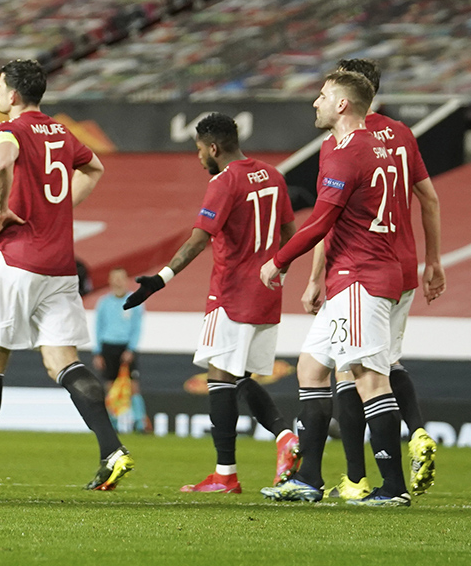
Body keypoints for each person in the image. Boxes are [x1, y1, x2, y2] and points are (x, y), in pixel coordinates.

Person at [0, 59, 132, 491]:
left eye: (0, 88)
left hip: (16, 261)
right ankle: (111, 449)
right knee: (63, 360)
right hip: (60, 267)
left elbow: (2, 162)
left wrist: (0, 210)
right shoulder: (61, 132)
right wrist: (59, 210)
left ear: (14, 94)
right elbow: (94, 167)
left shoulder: (9, 131)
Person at [124, 113, 300, 494]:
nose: (199, 157)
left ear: (214, 148)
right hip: (268, 293)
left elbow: (198, 239)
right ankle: (278, 442)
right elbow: (290, 231)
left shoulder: (225, 181)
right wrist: (278, 270)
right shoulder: (272, 175)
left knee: (220, 378)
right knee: (237, 378)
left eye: (199, 150)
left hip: (232, 292)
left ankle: (231, 472)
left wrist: (160, 279)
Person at [260, 70, 410, 507]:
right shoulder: (367, 147)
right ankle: (308, 479)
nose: (316, 103)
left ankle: (392, 487)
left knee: (369, 378)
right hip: (351, 275)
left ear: (342, 105)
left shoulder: (348, 153)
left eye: (323, 96)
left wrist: (279, 260)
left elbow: (322, 220)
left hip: (362, 277)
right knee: (311, 367)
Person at [309, 58, 445, 499]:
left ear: (347, 96)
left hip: (359, 268)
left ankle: (360, 477)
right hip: (402, 266)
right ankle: (418, 430)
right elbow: (429, 198)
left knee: (353, 371)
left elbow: (324, 221)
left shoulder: (343, 143)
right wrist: (433, 261)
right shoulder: (401, 134)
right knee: (385, 362)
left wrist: (314, 277)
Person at [91, 267, 146, 432]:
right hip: (108, 346)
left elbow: (137, 328)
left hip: (126, 347)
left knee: (133, 386)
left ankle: (140, 422)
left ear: (126, 280)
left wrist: (131, 349)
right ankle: (112, 422)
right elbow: (98, 328)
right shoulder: (104, 302)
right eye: (114, 278)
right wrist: (98, 352)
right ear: (110, 281)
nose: (117, 282)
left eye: (120, 278)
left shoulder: (135, 301)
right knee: (110, 386)